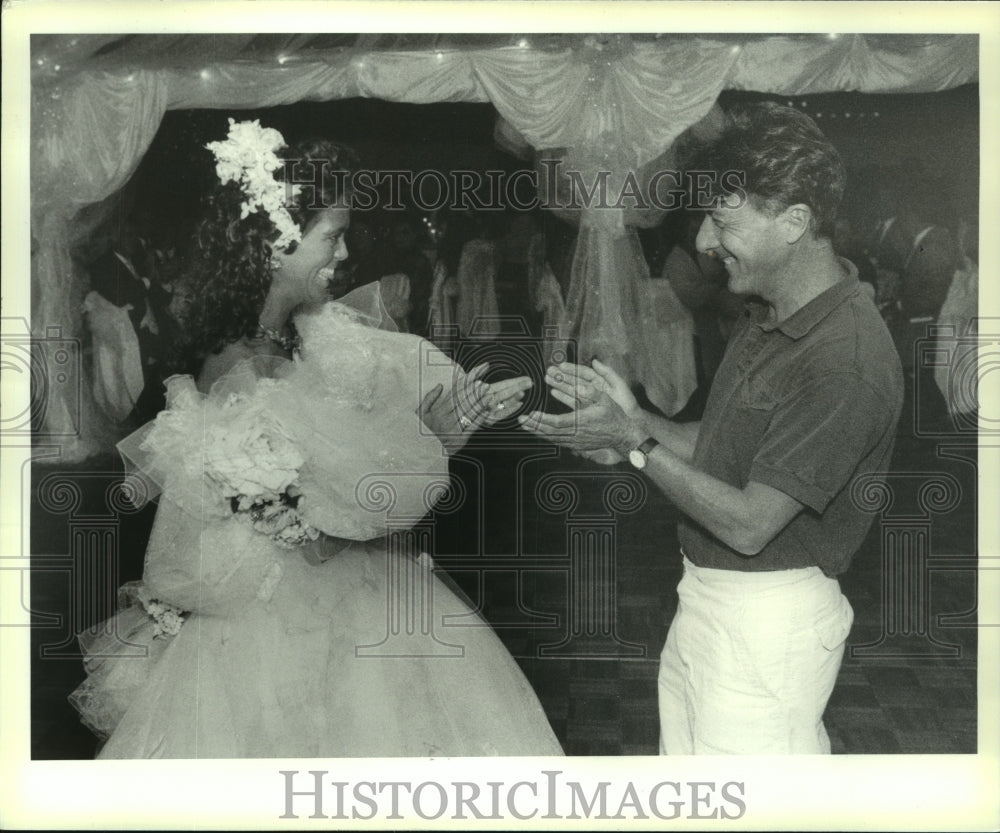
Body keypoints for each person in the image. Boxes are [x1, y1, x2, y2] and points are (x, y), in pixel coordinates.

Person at [70, 119, 563, 758]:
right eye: (332, 238)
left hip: (362, 584)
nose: (343, 255)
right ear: (277, 242)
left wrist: (455, 412)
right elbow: (320, 530)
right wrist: (430, 448)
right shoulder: (232, 373)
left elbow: (392, 392)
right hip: (285, 622)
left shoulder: (315, 331)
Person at [520, 102, 903, 755]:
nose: (701, 242)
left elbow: (752, 522)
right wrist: (633, 422)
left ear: (794, 223)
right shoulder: (769, 310)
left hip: (767, 623)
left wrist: (637, 446)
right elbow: (721, 445)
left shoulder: (846, 356)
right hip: (709, 598)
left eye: (721, 221)